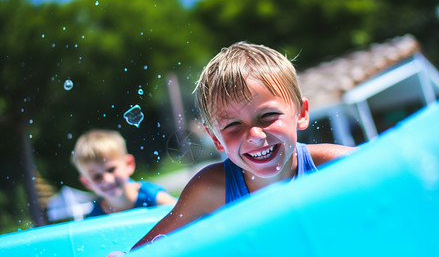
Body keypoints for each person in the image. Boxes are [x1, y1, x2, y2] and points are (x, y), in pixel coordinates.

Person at [109, 41, 355, 256]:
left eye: (268, 115)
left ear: (301, 114)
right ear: (215, 139)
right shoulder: (211, 189)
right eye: (233, 125)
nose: (255, 136)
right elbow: (153, 247)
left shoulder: (335, 167)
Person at [71, 129, 176, 218]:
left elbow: (184, 214)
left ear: (129, 164)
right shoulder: (95, 218)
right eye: (97, 176)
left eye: (111, 169)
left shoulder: (152, 197)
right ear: (87, 183)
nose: (107, 179)